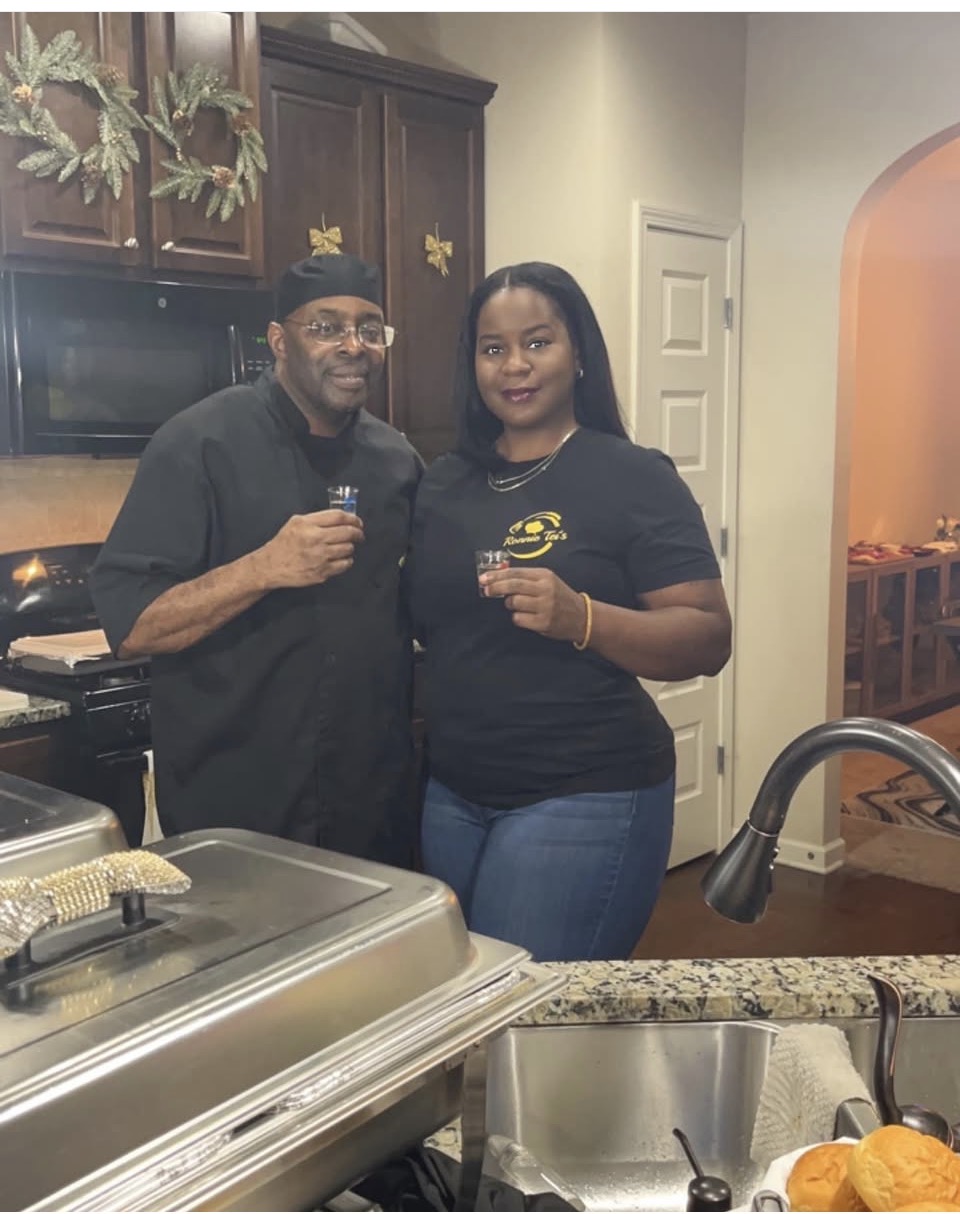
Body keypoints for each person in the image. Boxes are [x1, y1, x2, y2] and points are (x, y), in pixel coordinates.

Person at [404, 261, 732, 962]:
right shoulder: (445, 480)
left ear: (578, 353)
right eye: (493, 348)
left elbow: (708, 638)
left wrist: (581, 617)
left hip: (584, 792)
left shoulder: (632, 475)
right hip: (453, 791)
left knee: (525, 1010)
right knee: (459, 1007)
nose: (514, 366)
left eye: (538, 342)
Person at [91, 254, 423, 866]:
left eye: (370, 329)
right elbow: (134, 626)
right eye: (326, 327)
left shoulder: (397, 460)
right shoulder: (198, 443)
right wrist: (264, 567)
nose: (353, 346)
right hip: (237, 800)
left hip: (372, 795)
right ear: (278, 340)